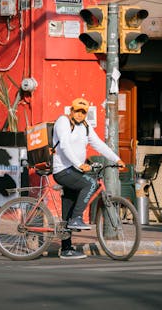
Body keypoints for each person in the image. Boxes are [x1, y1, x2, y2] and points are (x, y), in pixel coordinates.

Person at [52, 98, 125, 259]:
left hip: (75, 171)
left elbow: (99, 144)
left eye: (83, 112)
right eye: (77, 111)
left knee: (69, 207)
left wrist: (116, 159)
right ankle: (77, 218)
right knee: (90, 184)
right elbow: (64, 145)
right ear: (71, 110)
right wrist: (79, 164)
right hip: (63, 170)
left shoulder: (85, 127)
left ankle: (66, 249)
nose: (79, 114)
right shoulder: (63, 121)